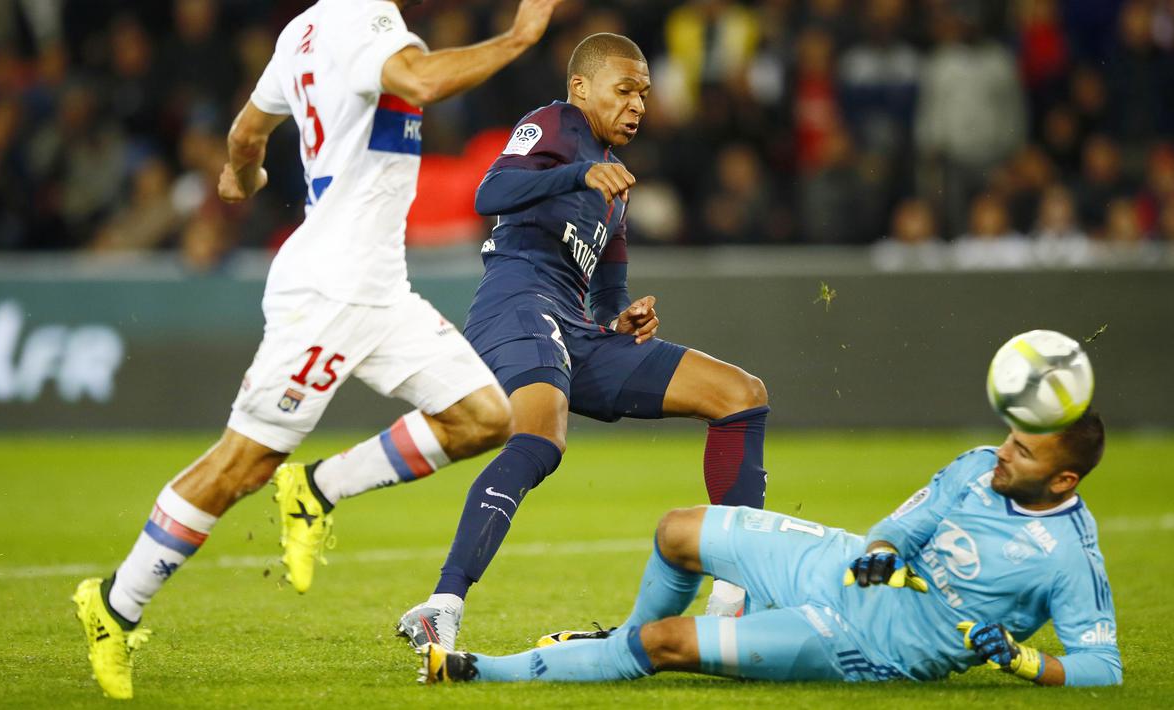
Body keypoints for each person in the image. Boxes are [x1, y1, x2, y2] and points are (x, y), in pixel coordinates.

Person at [71, 0, 565, 699]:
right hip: (329, 291)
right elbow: (419, 82)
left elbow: (247, 131)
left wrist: (243, 176)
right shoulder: (363, 20)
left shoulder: (299, 32)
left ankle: (316, 489)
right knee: (243, 462)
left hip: (378, 288)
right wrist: (519, 38)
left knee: (482, 416)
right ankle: (114, 606)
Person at [383, 32, 771, 651]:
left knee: (739, 394)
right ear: (581, 88)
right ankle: (441, 606)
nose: (639, 105)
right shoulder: (557, 125)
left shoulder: (614, 188)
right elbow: (490, 193)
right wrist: (578, 172)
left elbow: (609, 291)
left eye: (644, 93)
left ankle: (732, 599)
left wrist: (627, 317)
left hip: (576, 325)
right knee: (541, 438)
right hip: (515, 301)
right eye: (625, 91)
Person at [420, 412, 1122, 688]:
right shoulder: (975, 464)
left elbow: (1103, 668)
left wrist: (1029, 661)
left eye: (1021, 452)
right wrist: (879, 548)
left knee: (667, 643)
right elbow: (902, 529)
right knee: (678, 529)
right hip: (836, 565)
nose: (1003, 453)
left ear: (1061, 478)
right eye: (1009, 437)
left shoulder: (1067, 557)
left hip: (861, 641)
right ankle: (613, 643)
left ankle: (485, 671)